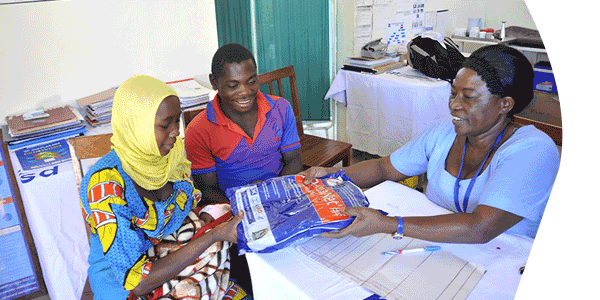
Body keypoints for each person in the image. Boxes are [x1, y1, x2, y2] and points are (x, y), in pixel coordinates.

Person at [300, 44, 560, 243]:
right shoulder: (445, 134)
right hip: (443, 243)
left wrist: (391, 225)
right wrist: (335, 175)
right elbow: (384, 169)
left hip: (507, 257)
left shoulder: (533, 151)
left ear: (505, 104)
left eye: (468, 97)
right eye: (453, 93)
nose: (453, 105)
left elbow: (482, 228)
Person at [79, 75, 249, 300]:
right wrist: (212, 235)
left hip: (174, 254)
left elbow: (186, 206)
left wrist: (210, 218)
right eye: (165, 124)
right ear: (137, 126)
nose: (176, 131)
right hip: (126, 286)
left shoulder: (171, 155)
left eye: (177, 120)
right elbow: (137, 283)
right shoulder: (106, 184)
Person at [184, 43, 303, 293]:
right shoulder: (199, 129)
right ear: (214, 82)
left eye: (251, 81)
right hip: (233, 213)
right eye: (232, 85)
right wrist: (247, 212)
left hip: (279, 197)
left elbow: (293, 160)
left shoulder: (280, 108)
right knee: (260, 278)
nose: (245, 92)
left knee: (304, 262)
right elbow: (207, 189)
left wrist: (274, 198)